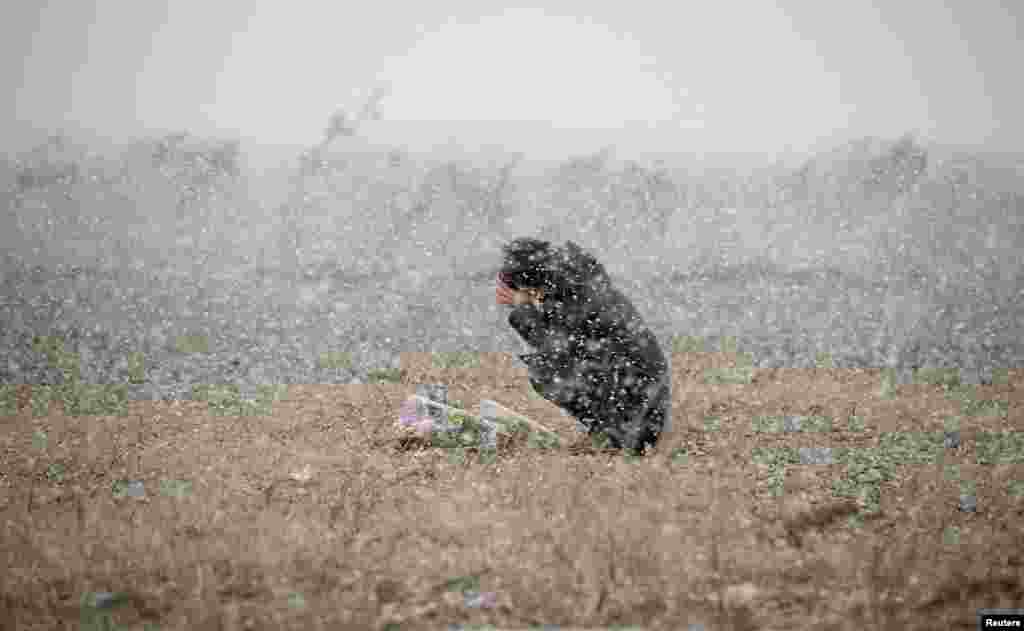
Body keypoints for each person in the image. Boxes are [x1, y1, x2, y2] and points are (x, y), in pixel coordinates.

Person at [496, 237, 670, 454]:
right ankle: (609, 432)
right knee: (554, 367)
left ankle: (612, 436)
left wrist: (522, 308)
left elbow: (553, 348)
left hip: (637, 415)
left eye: (530, 292)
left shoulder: (575, 297)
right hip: (643, 405)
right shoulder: (576, 286)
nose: (534, 300)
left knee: (546, 371)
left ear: (535, 285)